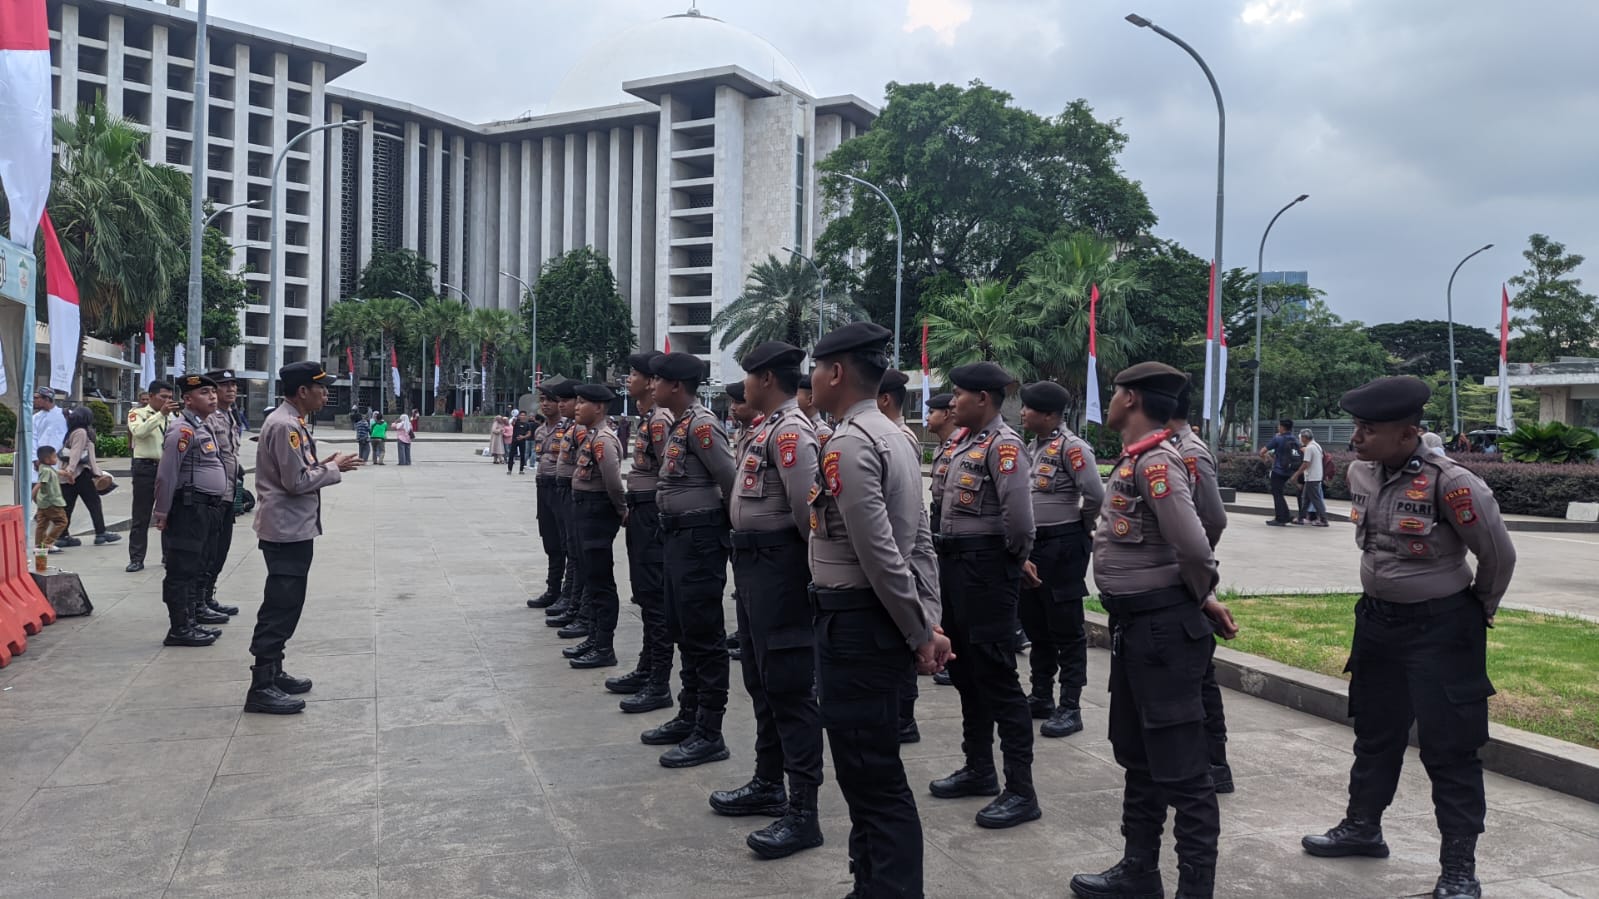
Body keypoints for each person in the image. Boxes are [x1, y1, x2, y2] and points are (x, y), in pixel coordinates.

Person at [1301, 376, 1517, 899]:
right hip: (1378, 624)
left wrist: (1478, 609)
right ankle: (1363, 827)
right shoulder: (1360, 471)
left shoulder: (1453, 483)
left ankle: (1459, 868)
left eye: (1367, 429)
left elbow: (1497, 554)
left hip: (1441, 629)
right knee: (1375, 733)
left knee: (1450, 748)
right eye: (1356, 426)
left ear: (1407, 434)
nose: (1356, 437)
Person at [1069, 362, 1235, 899]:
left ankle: (1195, 888)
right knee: (1138, 755)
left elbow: (1196, 546)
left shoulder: (1157, 463)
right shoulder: (1136, 458)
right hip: (1136, 629)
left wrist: (1195, 594)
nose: (1111, 400)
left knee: (1184, 771)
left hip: (1162, 631)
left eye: (1116, 392)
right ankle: (1139, 871)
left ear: (1132, 399)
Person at [807, 321, 949, 898]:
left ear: (837, 372)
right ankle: (870, 883)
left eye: (817, 369)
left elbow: (881, 554)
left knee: (872, 776)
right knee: (868, 771)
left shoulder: (850, 443)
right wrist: (928, 618)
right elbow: (920, 544)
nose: (813, 379)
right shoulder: (896, 435)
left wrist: (920, 632)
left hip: (858, 625)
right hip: (875, 621)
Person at [708, 340, 826, 860]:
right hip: (755, 566)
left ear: (767, 379)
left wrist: (803, 576)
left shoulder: (792, 432)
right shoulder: (765, 428)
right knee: (761, 681)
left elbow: (808, 516)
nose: (744, 386)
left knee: (789, 687)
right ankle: (767, 782)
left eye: (750, 377)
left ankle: (803, 811)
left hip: (782, 568)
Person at [930, 362, 1040, 830]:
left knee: (997, 675)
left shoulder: (1004, 445)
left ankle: (1021, 790)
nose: (952, 401)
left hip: (986, 570)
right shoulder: (962, 443)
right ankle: (978, 767)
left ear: (983, 398)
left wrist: (1008, 565)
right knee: (964, 671)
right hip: (954, 567)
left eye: (959, 393)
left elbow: (1020, 523)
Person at [245, 361, 362, 714]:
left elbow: (297, 471)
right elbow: (295, 483)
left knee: (288, 602)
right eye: (321, 389)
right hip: (286, 530)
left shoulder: (291, 422)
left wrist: (322, 464)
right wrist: (334, 468)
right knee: (281, 604)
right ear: (302, 391)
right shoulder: (285, 426)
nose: (325, 395)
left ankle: (274, 672)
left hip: (292, 528)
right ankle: (261, 686)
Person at [641, 351, 736, 768]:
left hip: (699, 539)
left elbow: (730, 480)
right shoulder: (680, 423)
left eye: (658, 380)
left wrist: (722, 535)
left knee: (703, 634)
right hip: (677, 537)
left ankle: (709, 731)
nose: (652, 386)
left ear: (676, 386)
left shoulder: (702, 425)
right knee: (682, 628)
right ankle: (689, 715)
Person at [1017, 380, 1103, 740]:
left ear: (1050, 414)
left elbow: (1095, 494)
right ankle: (1041, 695)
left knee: (1065, 626)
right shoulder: (1032, 448)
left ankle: (1071, 705)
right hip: (1034, 546)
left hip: (1063, 546)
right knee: (1036, 623)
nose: (1022, 413)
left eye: (1029, 408)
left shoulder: (1073, 447)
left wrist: (1080, 526)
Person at [1171, 382, 1235, 794]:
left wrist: (1195, 566)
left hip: (1187, 581)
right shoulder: (1162, 448)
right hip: (1172, 579)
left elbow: (1212, 519)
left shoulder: (1190, 452)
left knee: (1199, 678)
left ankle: (1215, 763)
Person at [605, 353, 677, 713]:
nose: (628, 379)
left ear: (651, 382)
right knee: (646, 596)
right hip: (642, 510)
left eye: (634, 374)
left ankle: (658, 682)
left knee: (654, 597)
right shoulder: (650, 418)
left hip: (652, 512)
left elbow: (670, 471)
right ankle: (647, 669)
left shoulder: (661, 420)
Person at [152, 374, 230, 648]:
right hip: (189, 509)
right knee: (182, 568)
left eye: (213, 392)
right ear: (187, 399)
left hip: (206, 508)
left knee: (198, 565)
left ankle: (192, 620)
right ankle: (179, 628)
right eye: (204, 392)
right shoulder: (182, 430)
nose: (212, 396)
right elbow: (166, 473)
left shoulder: (202, 426)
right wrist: (162, 512)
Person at [878, 369, 929, 742]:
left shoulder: (900, 438)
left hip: (902, 550)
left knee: (902, 636)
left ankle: (904, 717)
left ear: (884, 400)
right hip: (901, 548)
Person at [567, 383, 627, 669]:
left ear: (599, 407)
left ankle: (604, 646)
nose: (577, 407)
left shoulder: (603, 439)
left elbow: (613, 482)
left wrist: (621, 509)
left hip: (596, 512)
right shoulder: (592, 436)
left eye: (583, 402)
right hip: (585, 510)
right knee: (590, 578)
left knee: (600, 581)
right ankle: (593, 638)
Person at [722, 380, 763, 664]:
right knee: (743, 587)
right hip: (740, 526)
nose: (733, 408)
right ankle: (745, 634)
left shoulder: (767, 432)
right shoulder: (745, 433)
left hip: (764, 536)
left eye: (739, 402)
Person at [925, 391, 963, 690]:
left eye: (932, 412)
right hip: (939, 519)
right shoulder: (943, 446)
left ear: (947, 414)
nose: (928, 418)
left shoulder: (961, 445)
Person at [548, 380, 593, 639]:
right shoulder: (569, 427)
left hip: (579, 494)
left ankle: (578, 608)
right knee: (570, 549)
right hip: (565, 490)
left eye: (567, 400)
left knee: (579, 553)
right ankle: (570, 600)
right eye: (560, 400)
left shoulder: (584, 431)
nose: (562, 404)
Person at [200, 370, 246, 621]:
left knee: (220, 550)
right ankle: (198, 603)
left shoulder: (230, 415)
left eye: (233, 385)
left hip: (228, 494)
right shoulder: (209, 418)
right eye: (224, 385)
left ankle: (208, 597)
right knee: (207, 552)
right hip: (213, 496)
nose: (231, 389)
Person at [127, 380, 177, 572]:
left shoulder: (173, 416)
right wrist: (160, 414)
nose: (167, 401)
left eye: (170, 397)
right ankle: (136, 558)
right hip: (145, 467)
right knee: (141, 514)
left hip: (167, 467)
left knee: (169, 513)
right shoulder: (137, 413)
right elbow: (139, 433)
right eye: (163, 397)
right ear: (151, 396)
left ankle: (169, 555)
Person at [528, 383, 568, 609]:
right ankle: (553, 589)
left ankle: (568, 592)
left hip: (559, 487)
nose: (545, 404)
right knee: (550, 540)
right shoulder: (540, 430)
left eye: (549, 400)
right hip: (542, 487)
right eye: (542, 400)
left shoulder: (569, 428)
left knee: (566, 541)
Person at [59, 406, 120, 547]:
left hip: (70, 475)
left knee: (67, 506)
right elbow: (76, 453)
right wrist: (70, 471)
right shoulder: (81, 432)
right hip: (80, 473)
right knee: (94, 503)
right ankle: (100, 533)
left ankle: (62, 536)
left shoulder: (72, 431)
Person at [32, 389, 73, 544]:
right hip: (41, 461)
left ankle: (43, 545)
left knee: (47, 516)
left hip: (59, 459)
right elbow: (33, 438)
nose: (34, 400)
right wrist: (35, 459)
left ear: (47, 399)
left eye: (37, 397)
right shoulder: (35, 418)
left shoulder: (65, 414)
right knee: (49, 517)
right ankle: (45, 544)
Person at [1259, 418, 1301, 526]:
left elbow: (1262, 452)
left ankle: (1280, 518)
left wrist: (1266, 460)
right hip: (1290, 469)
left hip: (1279, 470)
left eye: (1279, 426)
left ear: (1282, 427)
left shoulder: (1278, 438)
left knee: (1277, 494)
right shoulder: (1295, 439)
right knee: (1279, 494)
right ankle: (1286, 516)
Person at [32, 446, 69, 553]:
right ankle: (47, 543)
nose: (56, 459)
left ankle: (39, 546)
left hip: (43, 503)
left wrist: (64, 473)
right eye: (54, 456)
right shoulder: (46, 471)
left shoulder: (45, 467)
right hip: (52, 502)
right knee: (62, 522)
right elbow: (40, 484)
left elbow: (54, 472)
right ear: (47, 459)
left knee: (42, 525)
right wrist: (33, 495)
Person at [1293, 428, 1329, 526]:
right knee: (1306, 499)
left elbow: (1306, 463)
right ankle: (1301, 518)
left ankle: (1323, 520)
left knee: (1315, 499)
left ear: (1305, 437)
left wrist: (1296, 474)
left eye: (1301, 437)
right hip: (1315, 476)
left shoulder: (1309, 448)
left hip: (1311, 477)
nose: (1300, 439)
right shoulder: (1317, 446)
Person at [796, 373, 833, 447]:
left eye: (795, 395)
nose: (792, 401)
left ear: (810, 400)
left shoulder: (822, 432)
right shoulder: (798, 425)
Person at [509, 411, 534, 475]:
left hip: (522, 441)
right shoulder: (516, 422)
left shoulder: (527, 424)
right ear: (519, 416)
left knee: (522, 455)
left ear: (526, 416)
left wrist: (523, 437)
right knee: (511, 455)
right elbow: (512, 423)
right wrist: (514, 418)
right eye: (521, 415)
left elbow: (529, 433)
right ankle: (509, 469)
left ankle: (521, 470)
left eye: (524, 415)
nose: (522, 416)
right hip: (514, 440)